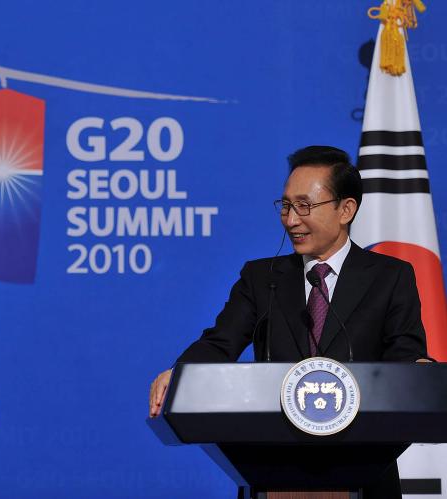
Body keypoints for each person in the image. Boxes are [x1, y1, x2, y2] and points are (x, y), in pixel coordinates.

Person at [149, 145, 428, 498]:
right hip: (273, 469)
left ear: (346, 209)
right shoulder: (262, 278)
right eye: (286, 206)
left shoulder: (391, 277)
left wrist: (419, 372)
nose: (291, 219)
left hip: (365, 469)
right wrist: (182, 372)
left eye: (304, 206)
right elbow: (221, 342)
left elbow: (405, 356)